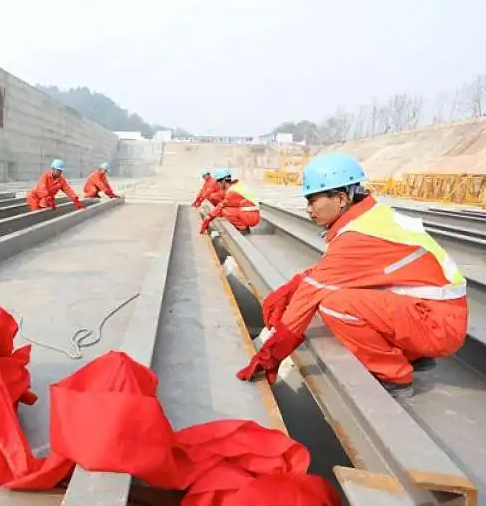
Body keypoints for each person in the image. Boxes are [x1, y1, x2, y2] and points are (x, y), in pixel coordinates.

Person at [236, 153, 468, 399]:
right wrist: (295, 285)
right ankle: (415, 355)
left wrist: (270, 356)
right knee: (343, 290)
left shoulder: (357, 236)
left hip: (437, 325)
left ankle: (394, 376)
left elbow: (310, 298)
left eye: (313, 200)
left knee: (334, 304)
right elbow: (336, 273)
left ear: (341, 198)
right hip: (438, 314)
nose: (309, 209)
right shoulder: (370, 219)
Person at [198, 168, 261, 234]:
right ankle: (243, 226)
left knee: (224, 211)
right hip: (253, 214)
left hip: (251, 216)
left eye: (218, 182)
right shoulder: (236, 186)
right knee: (223, 208)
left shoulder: (232, 192)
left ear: (223, 181)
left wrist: (207, 220)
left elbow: (220, 206)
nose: (218, 184)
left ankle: (243, 229)